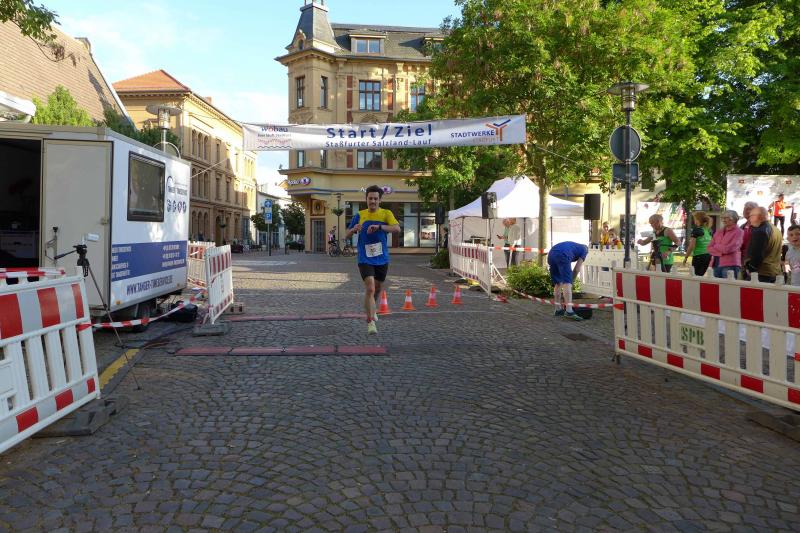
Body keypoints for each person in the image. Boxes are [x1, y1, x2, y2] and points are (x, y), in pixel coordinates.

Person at [345, 185, 401, 335]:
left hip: (381, 258)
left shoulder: (386, 213)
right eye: (370, 198)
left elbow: (397, 229)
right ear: (366, 199)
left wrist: (380, 227)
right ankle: (370, 322)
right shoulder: (359, 215)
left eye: (376, 198)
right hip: (364, 257)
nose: (373, 201)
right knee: (370, 288)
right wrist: (353, 229)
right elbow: (346, 235)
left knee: (378, 288)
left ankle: (372, 308)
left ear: (380, 200)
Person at [547, 241, 589, 321]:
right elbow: (576, 269)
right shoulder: (585, 250)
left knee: (558, 283)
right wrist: (571, 281)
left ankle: (558, 309)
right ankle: (569, 311)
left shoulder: (575, 246)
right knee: (567, 283)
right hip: (563, 255)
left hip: (551, 254)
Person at [744, 206, 783, 283]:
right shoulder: (776, 229)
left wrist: (751, 269)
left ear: (760, 216)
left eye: (751, 216)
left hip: (762, 273)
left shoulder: (760, 231)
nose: (749, 219)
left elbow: (757, 254)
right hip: (774, 272)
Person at [707, 210, 744, 279]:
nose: (723, 220)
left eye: (725, 218)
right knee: (715, 285)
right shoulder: (719, 232)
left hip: (730, 265)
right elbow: (709, 248)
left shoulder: (739, 232)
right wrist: (721, 250)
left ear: (733, 219)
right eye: (722, 218)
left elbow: (728, 249)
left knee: (728, 286)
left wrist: (716, 245)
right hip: (715, 264)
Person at [683, 211, 713, 276]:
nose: (694, 221)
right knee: (700, 275)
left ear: (698, 220)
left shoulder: (697, 230)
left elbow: (691, 246)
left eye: (694, 219)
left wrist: (686, 257)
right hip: (708, 256)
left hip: (698, 256)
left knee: (694, 276)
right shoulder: (709, 230)